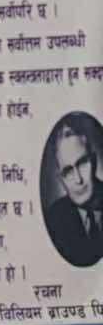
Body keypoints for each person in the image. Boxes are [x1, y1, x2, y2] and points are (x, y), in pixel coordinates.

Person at [43, 114, 103, 268]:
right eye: (68, 171)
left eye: (82, 163)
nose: (78, 179)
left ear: (94, 162)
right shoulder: (55, 219)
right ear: (61, 179)